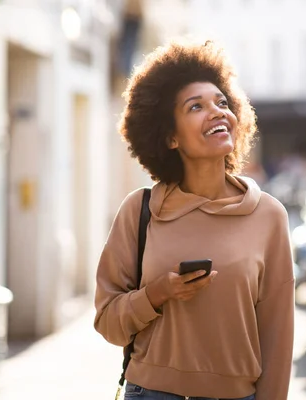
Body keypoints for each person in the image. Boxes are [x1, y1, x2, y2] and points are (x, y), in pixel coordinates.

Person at [94, 39, 295, 400]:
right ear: (170, 137)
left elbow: (278, 338)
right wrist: (157, 294)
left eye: (222, 102)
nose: (217, 112)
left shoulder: (268, 215)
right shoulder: (138, 211)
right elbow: (108, 322)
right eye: (196, 106)